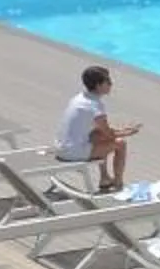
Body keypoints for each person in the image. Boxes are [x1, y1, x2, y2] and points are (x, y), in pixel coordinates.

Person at [57, 64, 141, 192]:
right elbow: (109, 134)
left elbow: (102, 131)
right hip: (73, 153)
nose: (111, 84)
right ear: (98, 85)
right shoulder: (95, 106)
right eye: (108, 81)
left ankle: (105, 178)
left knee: (98, 136)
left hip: (61, 147)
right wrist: (128, 132)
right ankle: (118, 183)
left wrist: (122, 130)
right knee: (120, 143)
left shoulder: (79, 98)